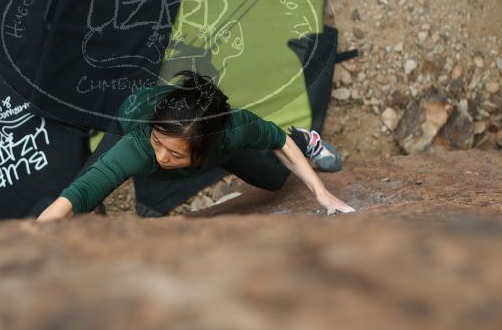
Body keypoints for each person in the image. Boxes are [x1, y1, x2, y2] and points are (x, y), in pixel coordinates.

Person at [33, 70, 354, 222]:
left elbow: (279, 141)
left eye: (172, 154)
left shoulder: (235, 130)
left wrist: (321, 192)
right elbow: (79, 193)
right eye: (160, 145)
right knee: (87, 195)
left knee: (274, 179)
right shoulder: (140, 146)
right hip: (133, 122)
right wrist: (36, 238)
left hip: (207, 143)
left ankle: (307, 139)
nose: (160, 157)